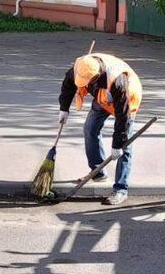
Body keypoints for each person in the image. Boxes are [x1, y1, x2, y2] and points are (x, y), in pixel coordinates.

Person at [57, 52, 143, 205]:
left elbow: (123, 118)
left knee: (125, 147)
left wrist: (117, 145)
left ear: (96, 77)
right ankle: (98, 172)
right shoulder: (81, 67)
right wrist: (64, 108)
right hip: (103, 97)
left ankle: (121, 189)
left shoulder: (118, 82)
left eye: (87, 83)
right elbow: (69, 84)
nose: (84, 85)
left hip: (127, 101)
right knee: (90, 128)